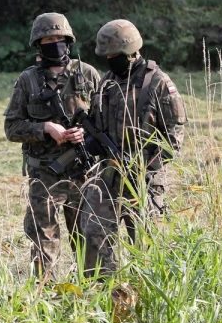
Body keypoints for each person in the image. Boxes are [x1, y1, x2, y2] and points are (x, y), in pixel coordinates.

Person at [80, 19, 187, 274]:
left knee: (145, 242)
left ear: (131, 51)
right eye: (107, 56)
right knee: (94, 233)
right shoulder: (106, 83)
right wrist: (90, 141)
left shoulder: (157, 83)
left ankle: (145, 297)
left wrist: (144, 166)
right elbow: (95, 123)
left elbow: (173, 138)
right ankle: (103, 293)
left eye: (115, 55)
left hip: (143, 178)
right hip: (108, 174)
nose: (110, 60)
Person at [4, 13, 102, 278]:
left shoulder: (88, 75)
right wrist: (45, 128)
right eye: (49, 38)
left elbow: (106, 123)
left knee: (87, 238)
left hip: (83, 172)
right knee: (43, 241)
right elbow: (11, 128)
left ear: (68, 41)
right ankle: (44, 296)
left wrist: (85, 134)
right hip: (44, 175)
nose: (55, 43)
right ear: (39, 43)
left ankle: (90, 295)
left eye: (59, 38)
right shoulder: (28, 80)